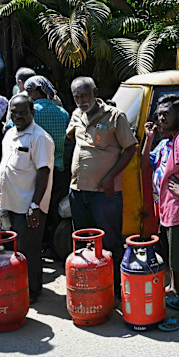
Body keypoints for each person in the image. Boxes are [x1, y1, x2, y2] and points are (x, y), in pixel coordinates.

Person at [67, 76, 137, 295]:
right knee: (83, 242)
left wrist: (109, 177)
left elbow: (131, 148)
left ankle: (115, 291)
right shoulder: (76, 115)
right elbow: (74, 139)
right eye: (76, 97)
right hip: (79, 191)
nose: (80, 101)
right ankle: (91, 288)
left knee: (110, 243)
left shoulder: (116, 116)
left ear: (95, 92)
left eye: (84, 95)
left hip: (105, 193)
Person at [142, 94, 179, 331]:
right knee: (172, 258)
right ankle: (177, 294)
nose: (161, 117)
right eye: (159, 114)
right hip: (167, 211)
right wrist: (149, 139)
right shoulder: (168, 140)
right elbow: (145, 164)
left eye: (167, 113)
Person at [0, 95, 54, 304]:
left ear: (32, 112)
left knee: (29, 250)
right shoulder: (10, 133)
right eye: (14, 112)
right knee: (15, 250)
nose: (18, 116)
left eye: (23, 112)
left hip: (28, 206)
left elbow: (44, 172)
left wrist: (35, 205)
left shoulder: (40, 138)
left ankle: (32, 291)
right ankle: (21, 287)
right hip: (9, 204)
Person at [23, 76, 70, 248]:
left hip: (34, 168)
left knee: (36, 206)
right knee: (55, 208)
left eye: (29, 91)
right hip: (58, 168)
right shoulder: (62, 113)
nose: (27, 94)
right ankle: (55, 244)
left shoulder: (29, 112)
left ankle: (39, 243)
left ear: (36, 91)